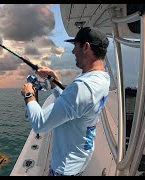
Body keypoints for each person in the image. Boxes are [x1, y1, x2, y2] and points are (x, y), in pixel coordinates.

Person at [21, 27, 110, 176]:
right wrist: (54, 79)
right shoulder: (101, 79)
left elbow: (39, 123)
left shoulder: (84, 87)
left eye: (75, 45)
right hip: (79, 160)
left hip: (65, 169)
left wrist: (28, 94)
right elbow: (72, 103)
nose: (73, 51)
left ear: (86, 47)